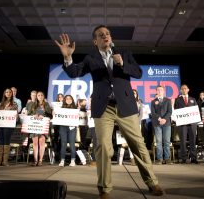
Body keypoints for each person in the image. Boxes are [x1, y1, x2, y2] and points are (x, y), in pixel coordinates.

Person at [55, 25, 163, 198]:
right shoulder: (91, 58)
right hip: (103, 107)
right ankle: (105, 189)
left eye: (107, 34)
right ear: (95, 40)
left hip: (126, 106)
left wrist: (122, 63)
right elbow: (75, 71)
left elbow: (138, 73)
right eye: (101, 35)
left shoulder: (124, 54)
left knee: (138, 145)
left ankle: (152, 182)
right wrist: (67, 57)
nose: (105, 36)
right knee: (104, 147)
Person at [0, 88, 18, 166]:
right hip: (0, 124)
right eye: (6, 92)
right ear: (4, 93)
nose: (8, 93)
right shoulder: (1, 103)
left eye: (10, 92)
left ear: (12, 93)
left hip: (8, 125)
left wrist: (16, 115)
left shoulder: (14, 104)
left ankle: (5, 161)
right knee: (0, 141)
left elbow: (16, 116)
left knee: (6, 141)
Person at [26, 91, 52, 166]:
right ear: (36, 96)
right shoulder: (32, 104)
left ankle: (40, 160)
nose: (40, 96)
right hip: (34, 126)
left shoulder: (46, 104)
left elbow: (50, 115)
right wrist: (34, 115)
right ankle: (35, 160)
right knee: (35, 143)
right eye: (38, 95)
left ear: (43, 96)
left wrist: (43, 116)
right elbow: (29, 114)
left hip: (42, 126)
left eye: (41, 95)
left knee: (41, 143)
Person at [174, 84, 198, 164]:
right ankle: (183, 158)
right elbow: (176, 111)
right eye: (182, 89)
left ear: (188, 90)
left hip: (192, 124)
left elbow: (196, 111)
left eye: (185, 88)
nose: (184, 90)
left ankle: (193, 157)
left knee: (193, 141)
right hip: (182, 124)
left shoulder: (193, 99)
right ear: (181, 90)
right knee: (183, 141)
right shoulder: (177, 100)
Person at [151, 85, 173, 165]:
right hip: (157, 123)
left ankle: (167, 158)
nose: (160, 91)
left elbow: (169, 112)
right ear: (156, 91)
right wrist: (160, 119)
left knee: (167, 141)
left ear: (163, 91)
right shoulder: (153, 101)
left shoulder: (168, 100)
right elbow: (153, 113)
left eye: (161, 90)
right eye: (158, 90)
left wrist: (164, 119)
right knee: (159, 141)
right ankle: (160, 159)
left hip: (166, 123)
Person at [58, 95, 77, 167]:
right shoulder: (61, 108)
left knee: (72, 144)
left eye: (70, 99)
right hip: (63, 127)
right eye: (67, 99)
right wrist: (54, 113)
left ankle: (73, 160)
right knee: (63, 144)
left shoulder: (75, 109)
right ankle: (62, 160)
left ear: (72, 100)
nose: (68, 100)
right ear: (64, 100)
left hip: (72, 128)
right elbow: (57, 116)